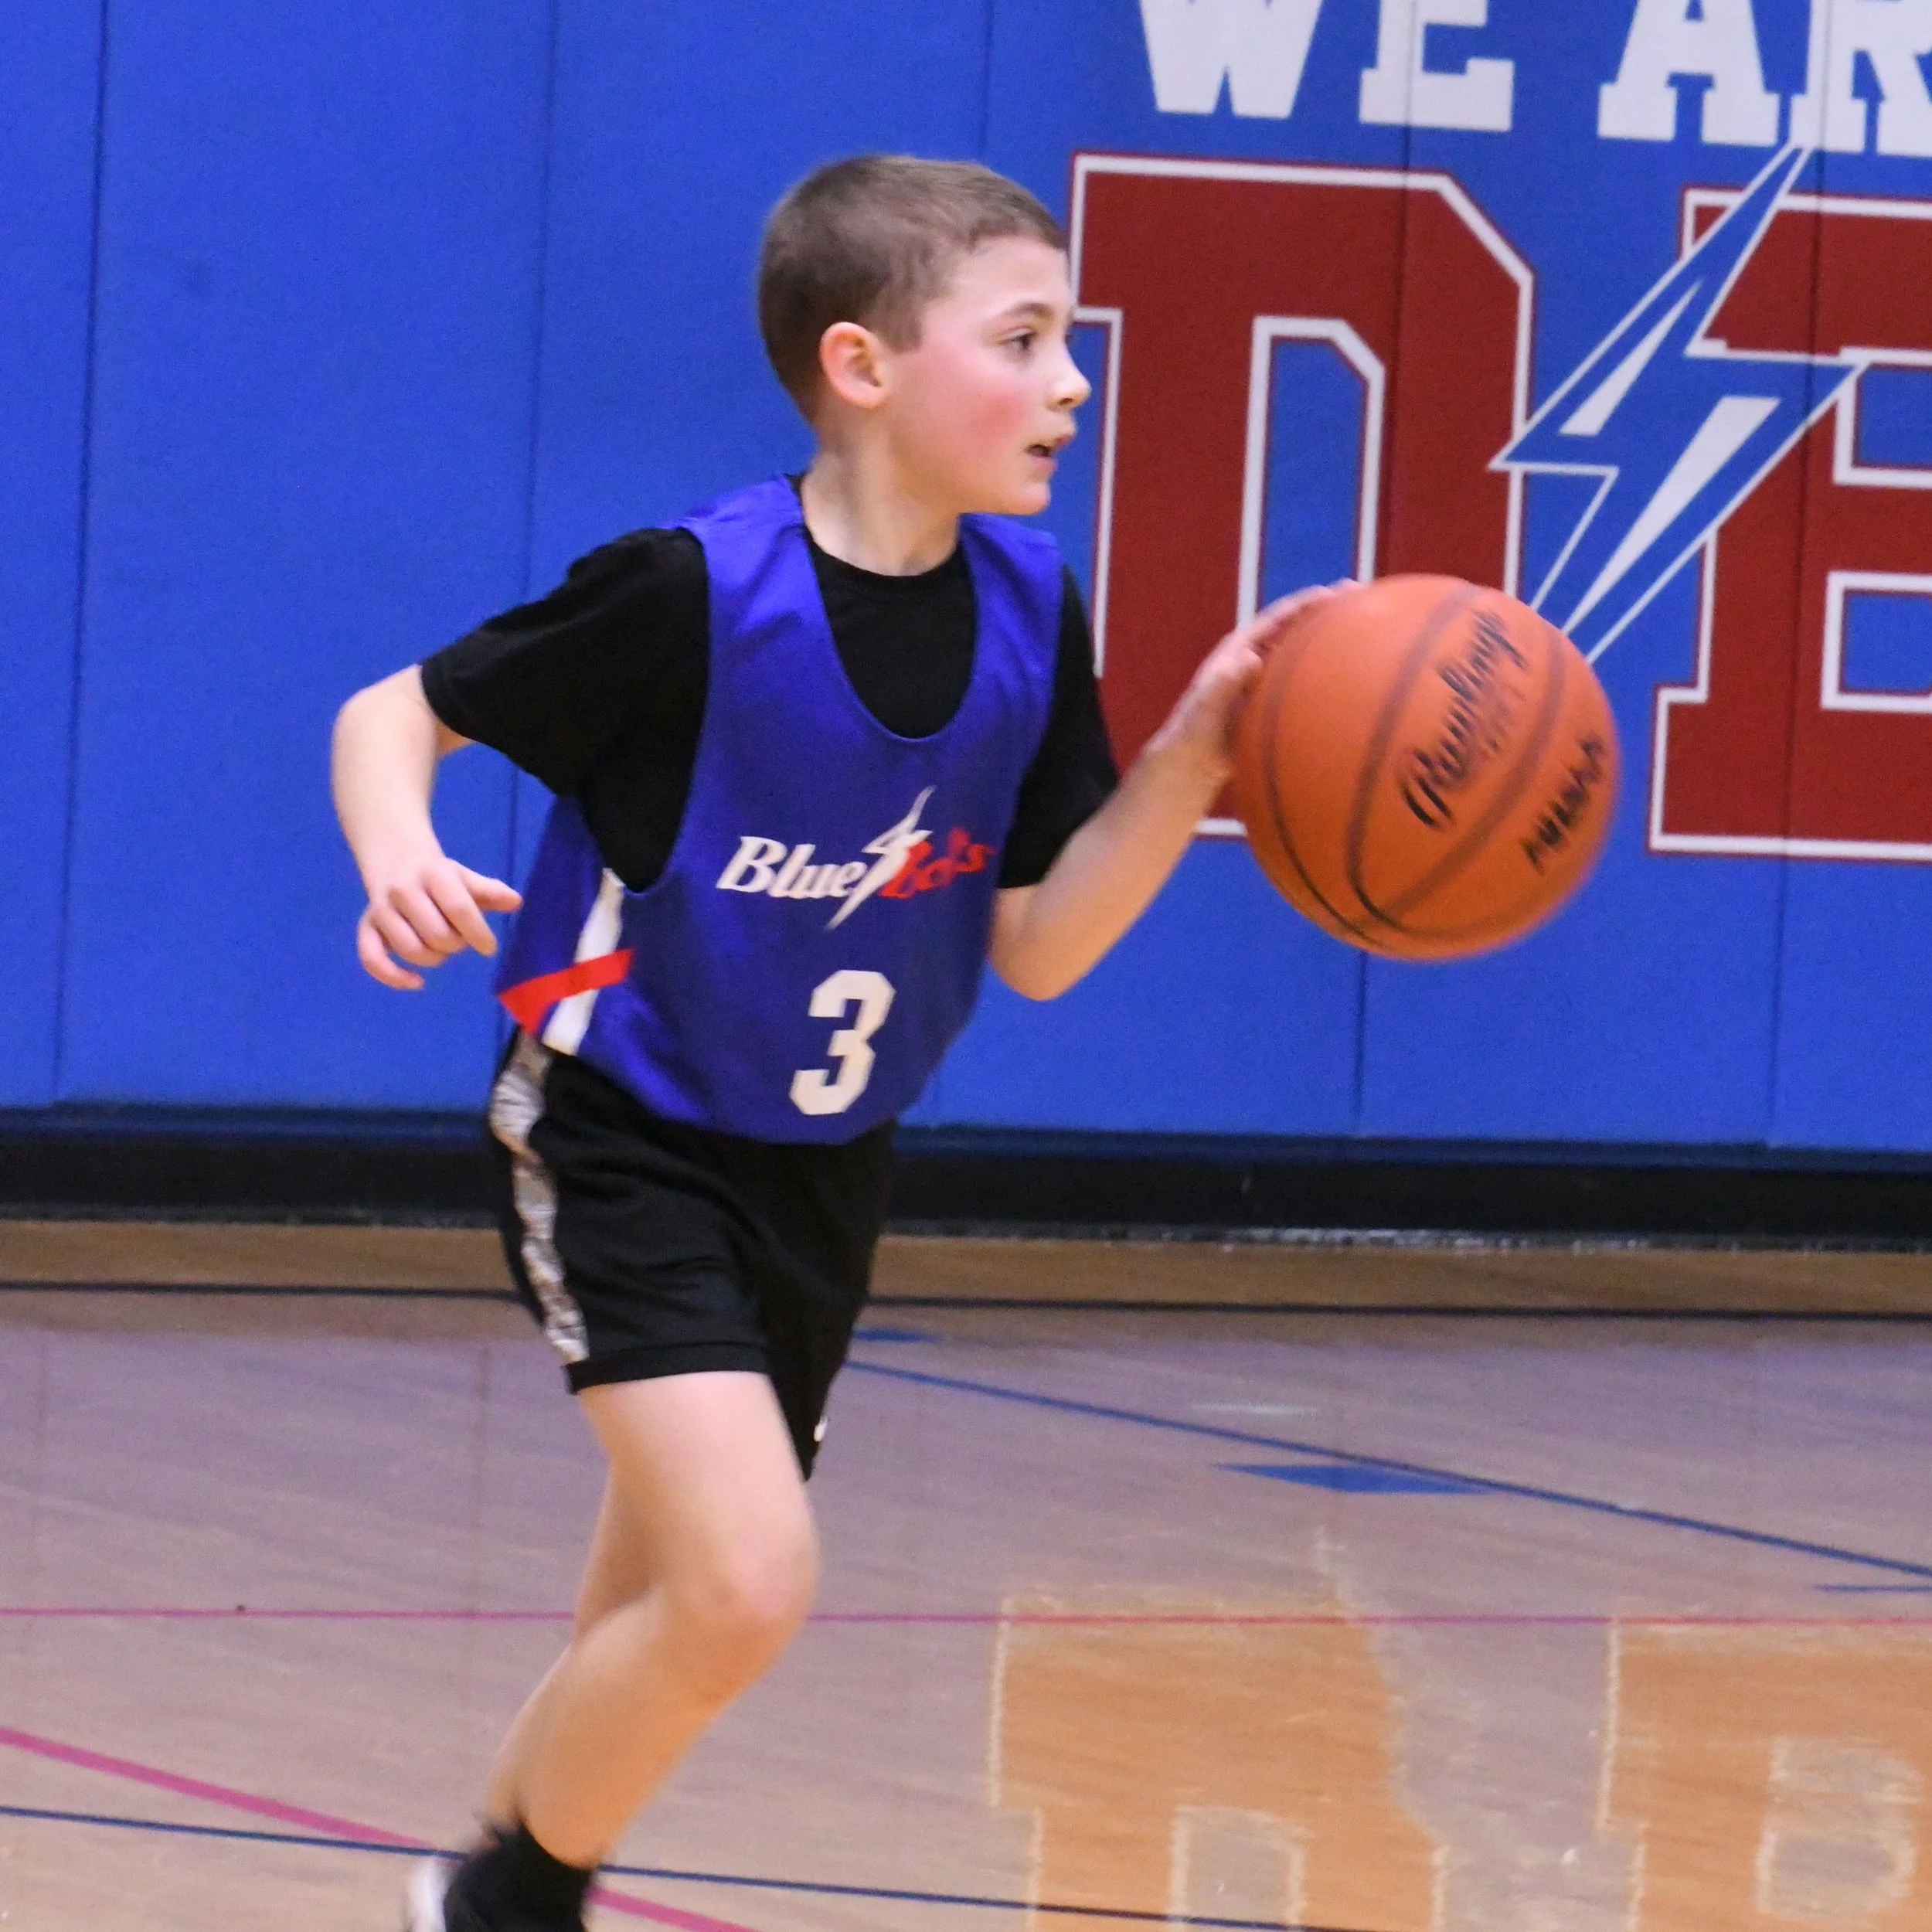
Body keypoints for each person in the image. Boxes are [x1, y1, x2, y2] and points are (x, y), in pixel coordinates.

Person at [331, 152, 1332, 1932]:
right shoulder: (689, 591)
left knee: (655, 1612)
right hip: (620, 1120)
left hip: (824, 1158)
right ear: (864, 367)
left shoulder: (1030, 610)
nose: (1070, 382)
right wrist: (400, 845)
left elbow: (1035, 943)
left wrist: (1186, 763)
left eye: (1071, 341)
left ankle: (484, 1881)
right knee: (744, 1583)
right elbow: (391, 713)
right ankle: (506, 1898)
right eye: (1023, 339)